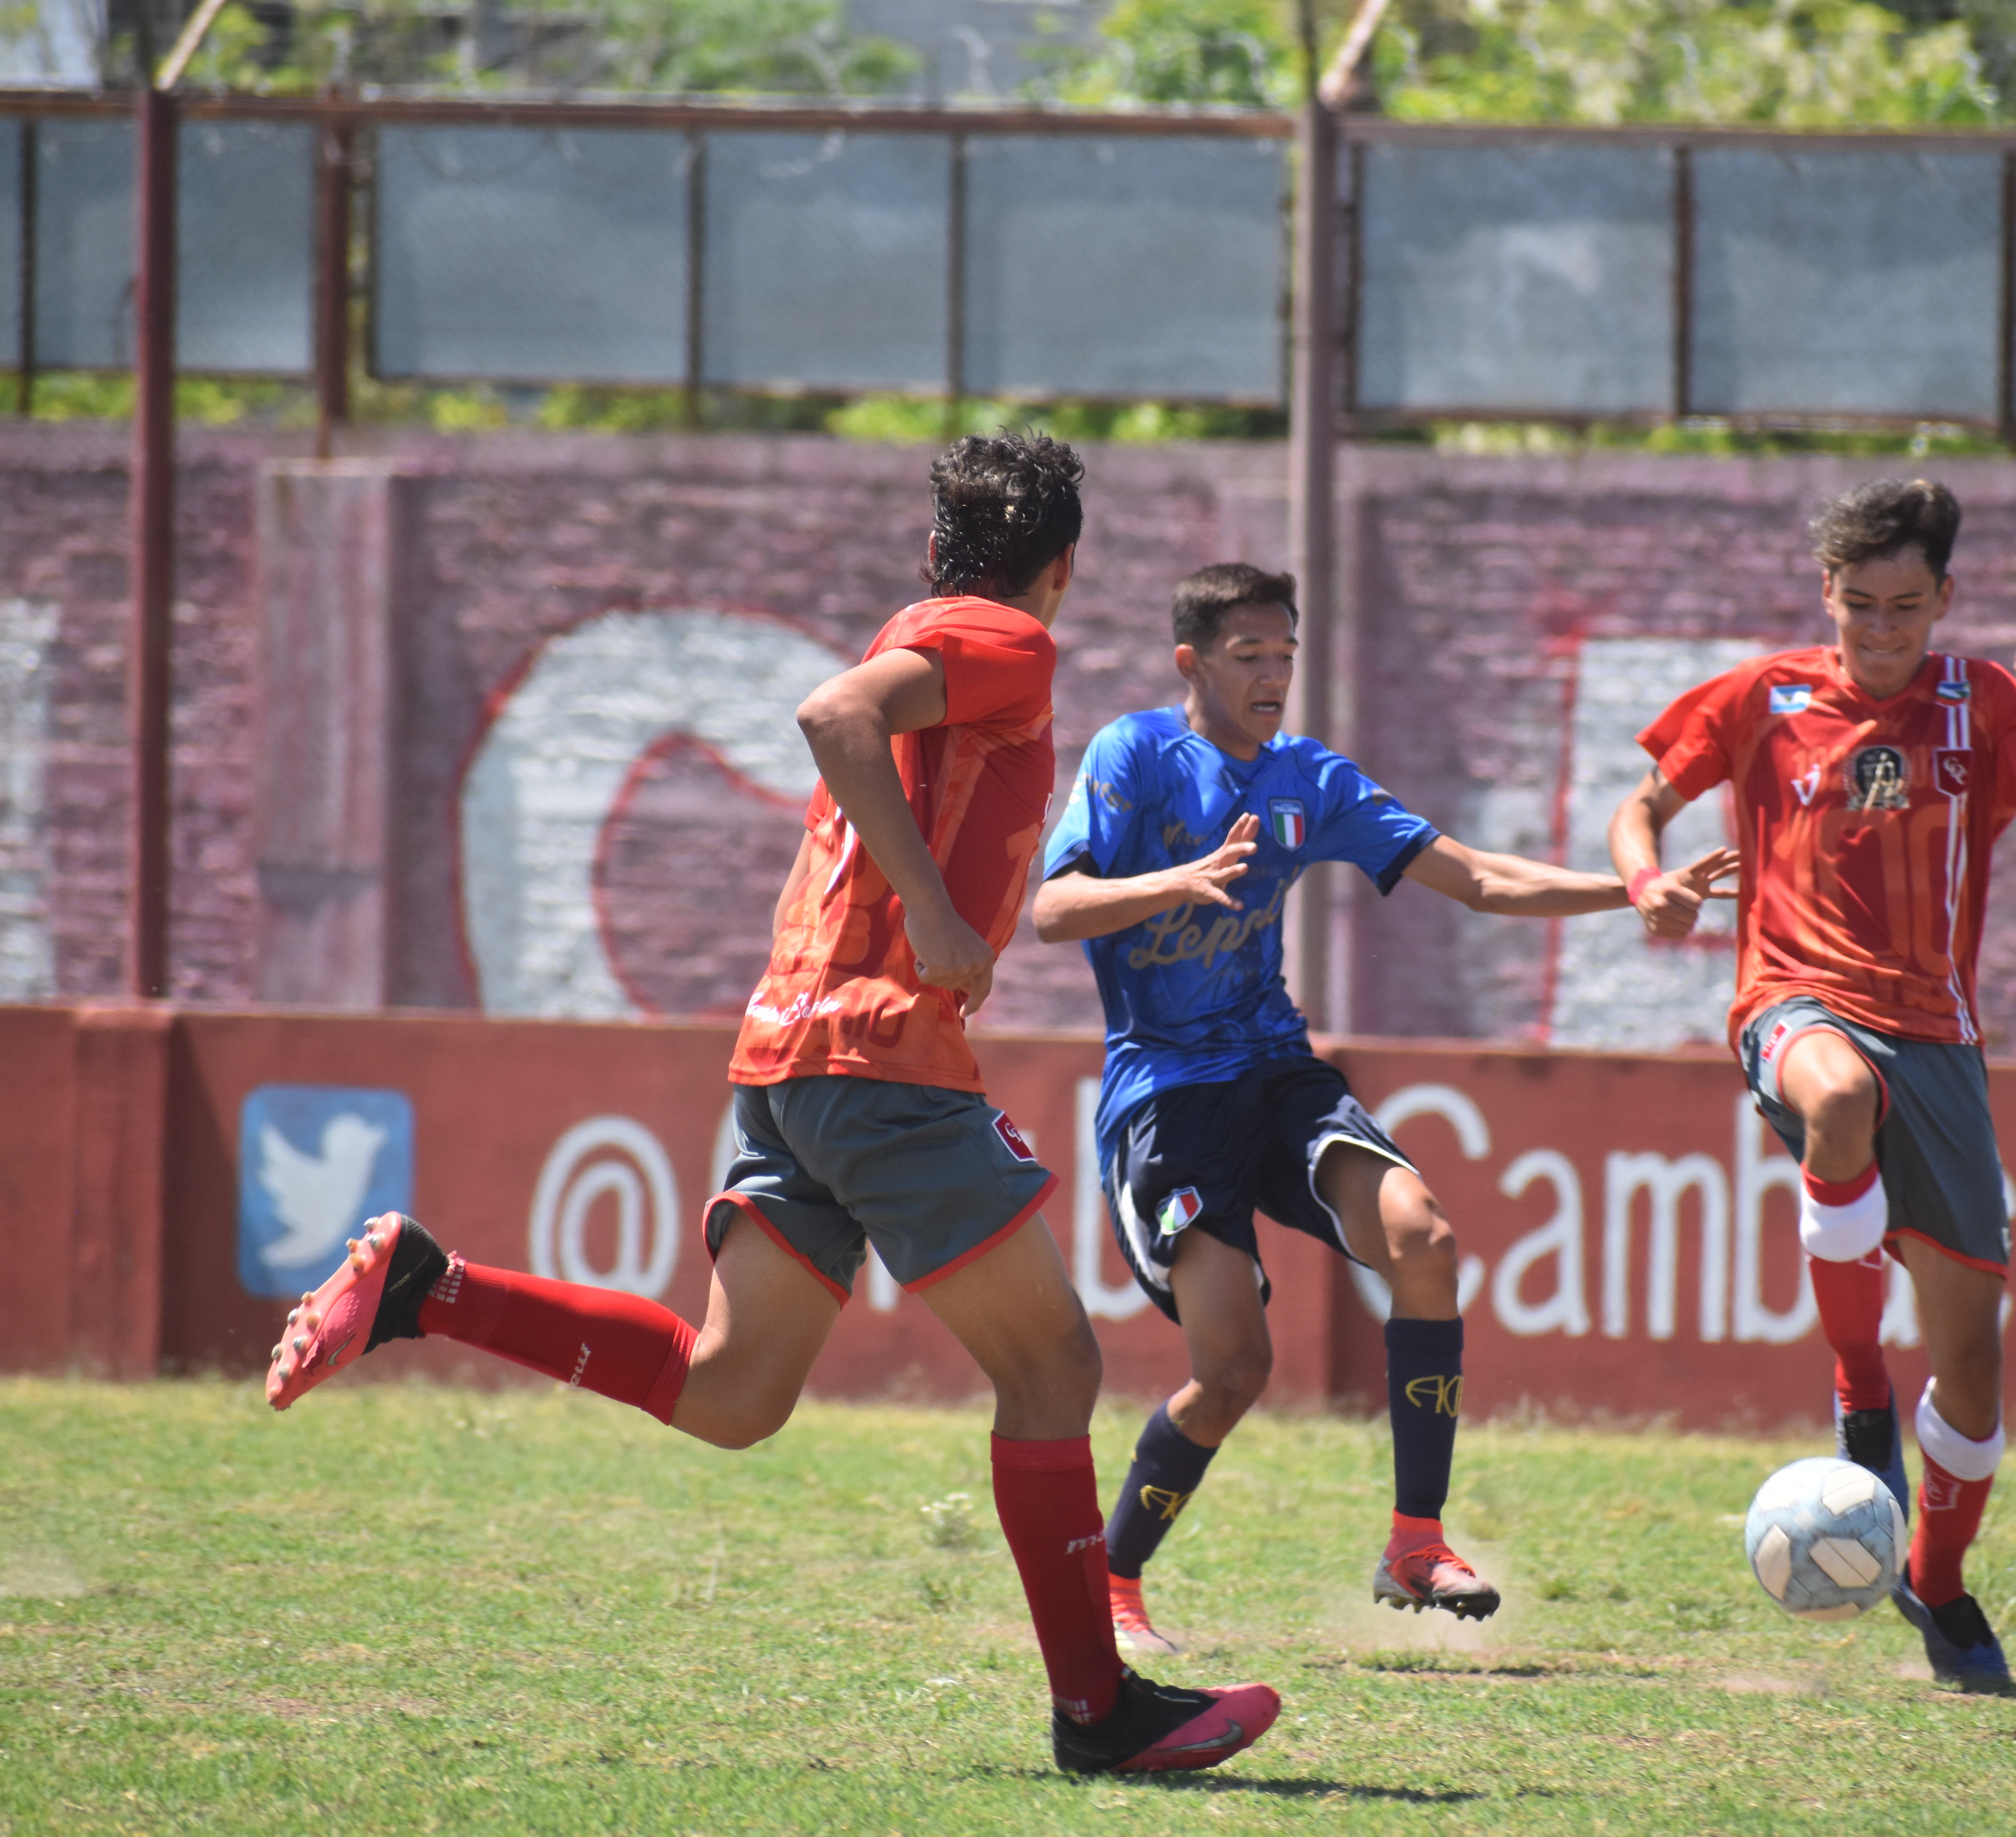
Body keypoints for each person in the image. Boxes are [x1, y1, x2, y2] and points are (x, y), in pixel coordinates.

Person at [262, 434, 1280, 1776]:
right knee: (1054, 1371)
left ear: (935, 550)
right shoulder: (1008, 640)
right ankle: (1100, 1712)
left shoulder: (927, 633)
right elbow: (831, 715)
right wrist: (932, 910)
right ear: (1065, 569)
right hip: (880, 1058)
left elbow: (863, 732)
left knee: (733, 1391)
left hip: (788, 1057)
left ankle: (426, 1287)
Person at [1032, 561, 1657, 1659]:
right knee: (1235, 1371)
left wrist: (1637, 889)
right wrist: (1174, 881)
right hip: (1165, 1099)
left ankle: (1416, 1539)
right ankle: (1114, 1583)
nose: (1273, 675)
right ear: (1191, 663)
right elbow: (1052, 907)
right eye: (1249, 656)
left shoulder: (1308, 779)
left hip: (1277, 1071)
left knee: (1424, 1234)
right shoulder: (1135, 754)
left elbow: (1477, 877)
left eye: (1285, 654)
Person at [1609, 479, 2016, 1690]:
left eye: (1905, 606)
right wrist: (1649, 884)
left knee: (1977, 1371)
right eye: (1859, 606)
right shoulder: (1761, 697)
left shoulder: (1986, 702)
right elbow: (1641, 807)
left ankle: (1936, 1584)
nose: (1881, 630)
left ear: (1944, 599)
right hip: (1791, 1001)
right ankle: (1859, 1394)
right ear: (1826, 596)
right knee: (1836, 1100)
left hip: (1939, 1038)